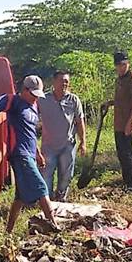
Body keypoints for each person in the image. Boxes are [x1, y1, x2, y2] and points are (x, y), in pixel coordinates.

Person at [0, 75, 57, 232]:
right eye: (33, 94)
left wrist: (38, 154)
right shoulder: (13, 101)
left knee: (20, 197)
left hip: (30, 154)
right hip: (19, 154)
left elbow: (30, 133)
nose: (35, 98)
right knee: (42, 187)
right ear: (24, 90)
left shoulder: (34, 106)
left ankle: (8, 231)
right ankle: (53, 226)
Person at [37, 71, 86, 201]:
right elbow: (32, 117)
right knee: (46, 174)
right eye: (62, 80)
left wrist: (83, 142)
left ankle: (61, 198)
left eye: (66, 81)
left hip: (67, 145)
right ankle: (46, 201)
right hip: (48, 146)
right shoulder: (43, 99)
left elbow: (80, 121)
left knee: (66, 175)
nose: (64, 83)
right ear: (54, 82)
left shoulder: (74, 100)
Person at [104, 52, 132, 190]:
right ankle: (126, 181)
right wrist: (110, 103)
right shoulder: (119, 79)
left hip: (127, 123)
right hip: (118, 123)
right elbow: (122, 99)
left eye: (124, 64)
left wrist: (130, 122)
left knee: (128, 154)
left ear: (128, 64)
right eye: (119, 65)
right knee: (121, 154)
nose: (122, 67)